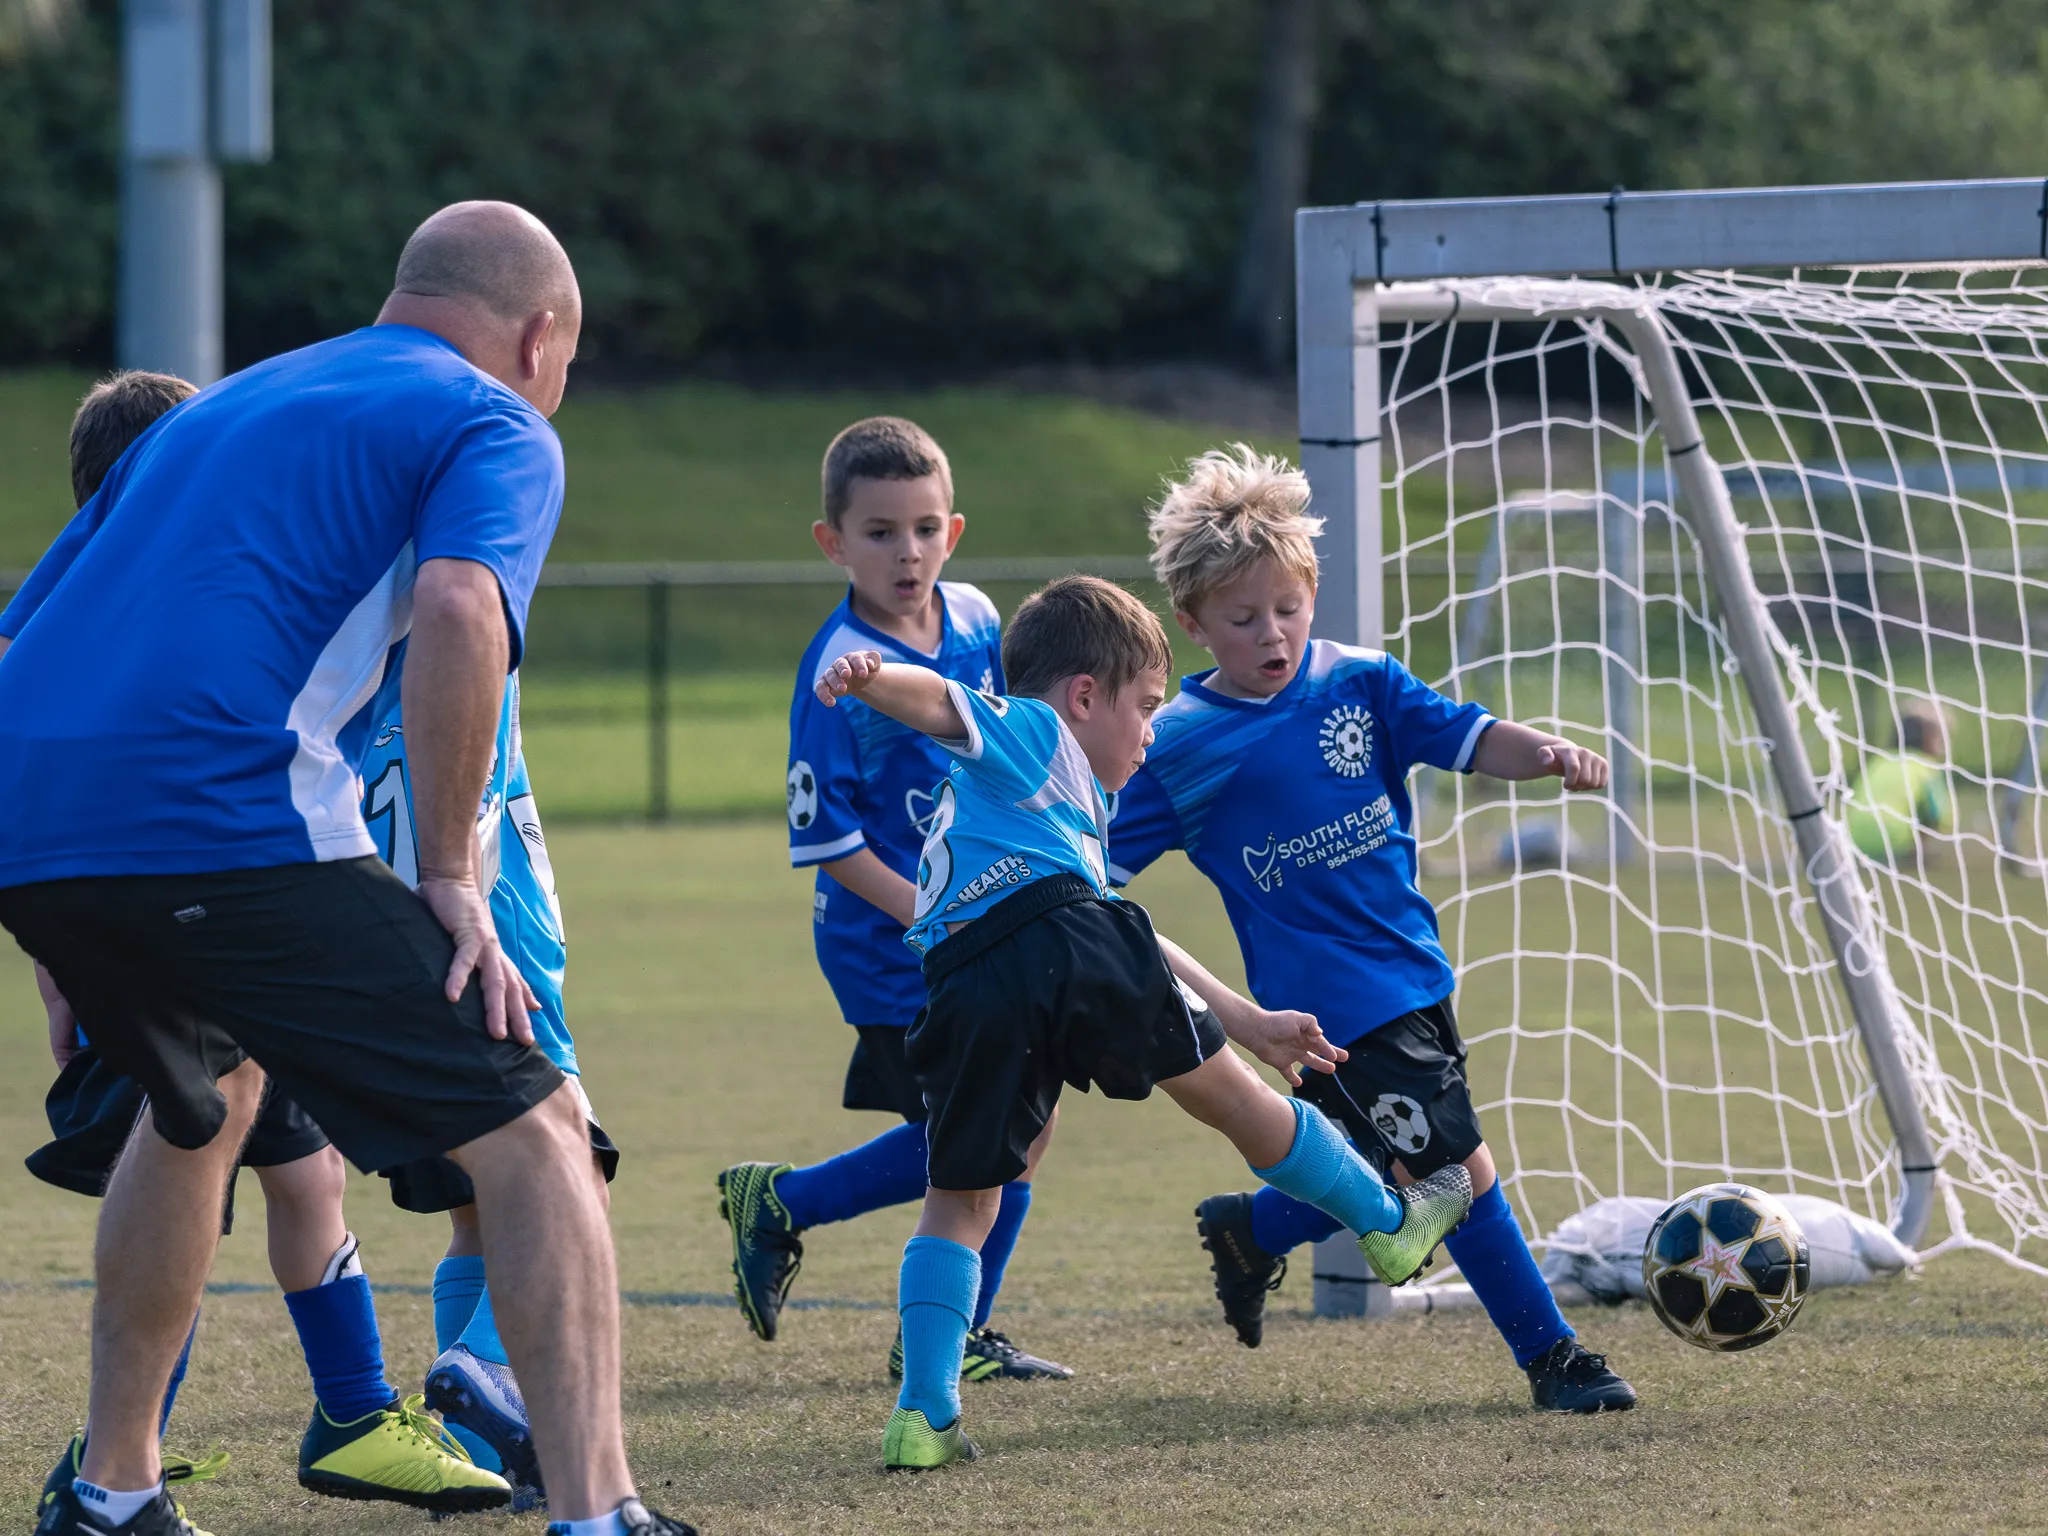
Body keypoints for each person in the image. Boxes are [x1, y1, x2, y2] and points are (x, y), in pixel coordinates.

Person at [1, 201, 692, 1536]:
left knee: (200, 1104)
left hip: (37, 821)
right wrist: (449, 873)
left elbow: (26, 639)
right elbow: (456, 609)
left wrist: (54, 931)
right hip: (216, 812)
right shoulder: (494, 420)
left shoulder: (216, 409)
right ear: (540, 335)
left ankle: (113, 1491)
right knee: (540, 1132)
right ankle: (604, 1516)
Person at [811, 575, 1474, 1471]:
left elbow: (1120, 925)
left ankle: (922, 1416)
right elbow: (943, 705)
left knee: (961, 1200)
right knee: (1237, 1103)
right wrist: (870, 675)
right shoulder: (1039, 735)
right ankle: (1386, 1222)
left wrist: (1244, 1016)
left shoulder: (1043, 816)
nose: (1154, 731)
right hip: (1065, 943)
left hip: (965, 985)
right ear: (1085, 697)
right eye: (1148, 707)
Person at [25, 372, 508, 1523]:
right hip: (182, 933)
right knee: (201, 1177)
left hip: (228, 928)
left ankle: (340, 1412)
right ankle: (112, 1462)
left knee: (302, 1170)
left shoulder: (173, 602)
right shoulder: (121, 616)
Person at [1105, 445, 1637, 1414]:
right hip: (1329, 1009)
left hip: (1415, 970)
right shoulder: (1176, 746)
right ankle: (1552, 1359)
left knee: (1361, 1174)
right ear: (1190, 622)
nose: (1271, 632)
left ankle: (1250, 1232)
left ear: (1310, 592)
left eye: (1286, 607)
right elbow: (1097, 868)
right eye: (1240, 617)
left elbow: (1467, 735)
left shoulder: (1360, 679)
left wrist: (1545, 753)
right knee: (1453, 1171)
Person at [718, 416, 1068, 1383]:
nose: (905, 552)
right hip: (893, 944)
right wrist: (941, 911)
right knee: (985, 1135)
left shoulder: (980, 623)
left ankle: (943, 1320)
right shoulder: (835, 668)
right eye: (879, 532)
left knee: (1016, 1129)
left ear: (952, 532)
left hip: (977, 926)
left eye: (923, 529)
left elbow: (1010, 747)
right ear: (833, 543)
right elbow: (827, 841)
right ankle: (787, 1208)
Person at [358, 654, 619, 1508]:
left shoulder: (341, 647)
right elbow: (468, 804)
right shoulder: (461, 616)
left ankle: (478, 1458)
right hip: (487, 930)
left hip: (388, 937)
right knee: (571, 1176)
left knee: (481, 1208)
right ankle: (485, 1366)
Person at [1846, 706, 1952, 862]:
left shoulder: (1877, 762)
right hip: (1894, 846)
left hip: (1853, 843)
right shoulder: (1926, 769)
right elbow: (1939, 817)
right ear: (1928, 738)